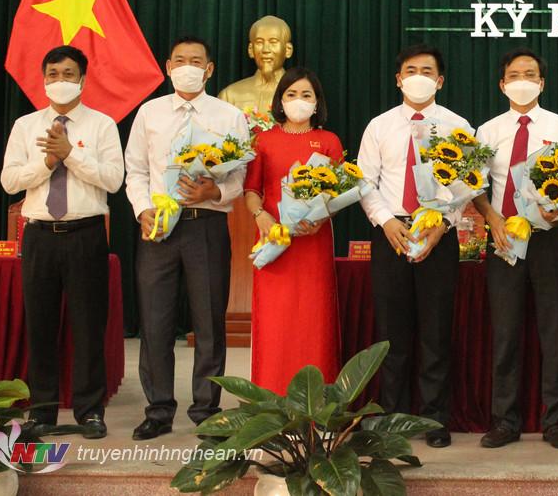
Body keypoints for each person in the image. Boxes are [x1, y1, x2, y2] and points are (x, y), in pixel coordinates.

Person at [124, 37, 249, 440]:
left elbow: (239, 177)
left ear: (209, 69)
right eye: (180, 61)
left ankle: (207, 411)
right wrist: (142, 210)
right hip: (158, 227)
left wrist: (215, 191)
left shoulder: (230, 115)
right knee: (155, 321)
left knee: (209, 321)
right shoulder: (150, 112)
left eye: (196, 61)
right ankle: (158, 410)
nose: (187, 67)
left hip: (205, 226)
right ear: (168, 67)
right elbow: (135, 170)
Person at [1, 45, 123, 440]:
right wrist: (48, 162)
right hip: (39, 235)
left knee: (89, 326)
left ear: (83, 80)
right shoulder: (25, 125)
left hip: (86, 234)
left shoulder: (102, 125)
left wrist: (70, 154)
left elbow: (113, 180)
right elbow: (9, 181)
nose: (60, 80)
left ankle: (90, 412)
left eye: (68, 74)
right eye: (53, 74)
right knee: (40, 326)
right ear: (43, 80)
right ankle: (42, 412)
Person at [357, 43, 469, 448]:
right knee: (393, 334)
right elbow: (364, 182)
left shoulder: (458, 126)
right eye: (410, 70)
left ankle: (434, 419)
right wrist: (386, 221)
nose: (418, 77)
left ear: (440, 80)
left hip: (438, 234)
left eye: (427, 71)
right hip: (392, 233)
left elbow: (465, 186)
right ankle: (393, 419)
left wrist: (443, 224)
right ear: (398, 79)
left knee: (436, 333)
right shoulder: (379, 126)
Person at [473, 48, 558, 450]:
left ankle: (555, 421)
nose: (523, 81)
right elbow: (475, 185)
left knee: (555, 332)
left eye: (530, 74)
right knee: (505, 333)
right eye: (514, 75)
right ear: (502, 84)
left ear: (542, 82)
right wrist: (491, 217)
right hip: (504, 237)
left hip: (550, 236)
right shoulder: (487, 131)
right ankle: (505, 421)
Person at [243, 67, 342, 394]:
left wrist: (321, 217)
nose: (298, 100)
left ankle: (317, 404)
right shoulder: (263, 140)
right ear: (280, 100)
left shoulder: (328, 141)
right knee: (275, 321)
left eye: (306, 95)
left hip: (313, 243)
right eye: (291, 94)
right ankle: (270, 398)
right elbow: (251, 189)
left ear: (317, 103)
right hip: (274, 241)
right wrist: (260, 216)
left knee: (313, 320)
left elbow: (339, 192)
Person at [218, 15, 295, 112]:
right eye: (259, 42)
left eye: (273, 42)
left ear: (288, 50)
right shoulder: (229, 96)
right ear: (251, 49)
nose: (266, 50)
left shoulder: (301, 94)